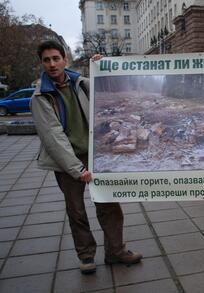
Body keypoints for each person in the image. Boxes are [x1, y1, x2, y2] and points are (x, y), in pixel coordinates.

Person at [31, 40, 142, 274]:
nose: (52, 64)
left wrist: (105, 67)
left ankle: (116, 251)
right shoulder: (40, 97)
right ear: (41, 64)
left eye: (56, 58)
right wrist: (76, 169)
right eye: (46, 60)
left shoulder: (82, 84)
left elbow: (111, 90)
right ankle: (86, 256)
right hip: (67, 162)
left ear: (65, 60)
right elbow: (52, 137)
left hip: (96, 156)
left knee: (110, 206)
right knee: (76, 211)